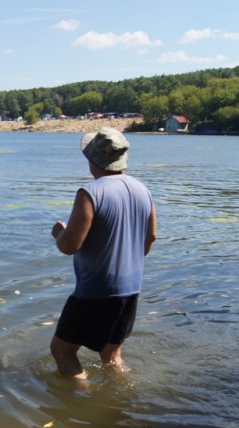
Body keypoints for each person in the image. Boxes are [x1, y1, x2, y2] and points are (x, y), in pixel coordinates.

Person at [50, 127, 157, 380]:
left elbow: (69, 246)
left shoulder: (90, 193)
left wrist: (59, 234)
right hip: (130, 287)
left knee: (62, 351)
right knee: (111, 354)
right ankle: (118, 399)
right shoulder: (143, 189)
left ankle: (82, 405)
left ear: (91, 160)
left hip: (96, 289)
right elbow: (150, 236)